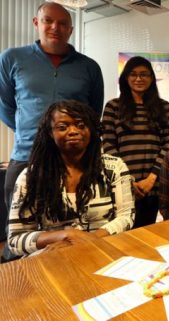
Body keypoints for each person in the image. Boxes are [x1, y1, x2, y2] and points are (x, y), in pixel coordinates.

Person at [0, 2, 103, 260]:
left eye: (62, 23)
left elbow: (92, 114)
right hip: (26, 157)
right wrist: (34, 136)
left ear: (70, 29)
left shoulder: (89, 67)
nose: (55, 27)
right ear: (37, 23)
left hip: (74, 162)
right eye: (48, 21)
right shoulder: (12, 58)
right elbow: (6, 107)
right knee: (19, 236)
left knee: (71, 231)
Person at [7, 100, 134, 257]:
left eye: (81, 125)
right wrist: (65, 235)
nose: (73, 131)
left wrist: (90, 240)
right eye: (62, 127)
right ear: (50, 133)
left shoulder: (114, 168)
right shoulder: (31, 177)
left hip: (102, 250)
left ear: (91, 130)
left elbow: (126, 217)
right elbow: (15, 240)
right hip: (52, 256)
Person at [102, 56, 169, 228]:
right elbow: (109, 145)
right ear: (126, 78)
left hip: (154, 185)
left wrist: (151, 179)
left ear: (151, 78)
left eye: (144, 74)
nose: (138, 79)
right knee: (120, 232)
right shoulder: (113, 107)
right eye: (133, 74)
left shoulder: (164, 107)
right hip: (122, 184)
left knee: (146, 231)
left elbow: (168, 145)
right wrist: (129, 181)